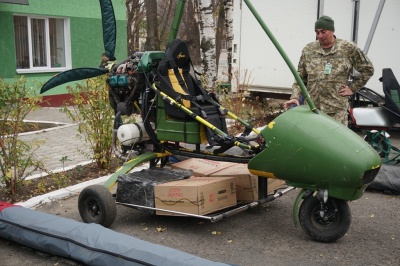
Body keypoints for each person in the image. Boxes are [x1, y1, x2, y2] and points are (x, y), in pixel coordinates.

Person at [284, 15, 374, 126]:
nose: (320, 36)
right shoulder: (309, 50)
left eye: (323, 31)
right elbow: (300, 78)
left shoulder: (348, 48)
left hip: (336, 110)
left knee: (337, 142)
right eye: (317, 32)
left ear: (332, 30)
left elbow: (368, 69)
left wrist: (352, 88)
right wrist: (295, 97)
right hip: (313, 109)